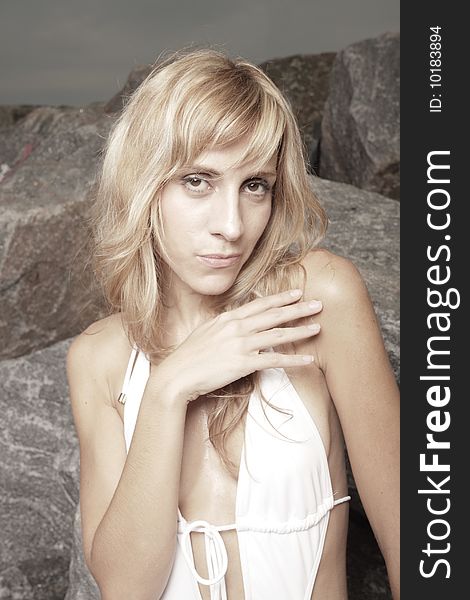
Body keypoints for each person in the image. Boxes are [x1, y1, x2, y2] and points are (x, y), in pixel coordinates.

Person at [67, 48, 400, 600]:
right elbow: (126, 587)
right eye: (198, 181)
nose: (231, 225)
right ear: (145, 184)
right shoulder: (99, 357)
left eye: (255, 185)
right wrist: (169, 388)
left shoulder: (316, 301)